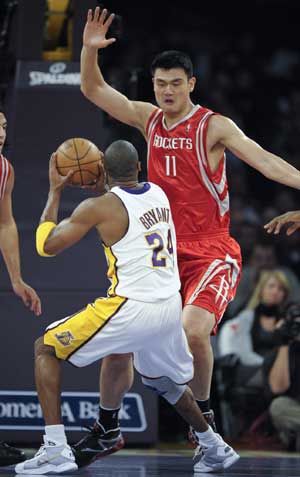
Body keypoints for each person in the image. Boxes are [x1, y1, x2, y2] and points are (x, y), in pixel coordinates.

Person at [79, 5, 300, 451]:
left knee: (193, 331)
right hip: (162, 252)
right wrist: (88, 50)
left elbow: (265, 160)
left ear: (191, 84)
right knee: (121, 336)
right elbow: (94, 89)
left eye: (175, 84)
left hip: (212, 251)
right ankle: (109, 427)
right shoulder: (149, 119)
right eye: (160, 84)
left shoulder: (214, 126)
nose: (166, 91)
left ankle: (205, 425)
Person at [15, 140, 239, 474]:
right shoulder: (159, 193)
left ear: (102, 164)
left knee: (45, 348)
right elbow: (125, 198)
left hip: (133, 305)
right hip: (168, 306)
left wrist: (55, 191)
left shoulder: (98, 207)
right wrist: (105, 177)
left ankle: (56, 449)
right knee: (163, 381)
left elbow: (46, 246)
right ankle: (214, 446)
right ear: (138, 168)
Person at [0, 108, 41, 467]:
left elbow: (6, 224)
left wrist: (16, 278)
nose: (0, 132)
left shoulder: (4, 169)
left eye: (3, 126)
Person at [218, 270, 291, 432]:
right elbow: (242, 352)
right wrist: (267, 365)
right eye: (271, 286)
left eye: (280, 289)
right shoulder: (245, 317)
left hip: (279, 369)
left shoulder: (288, 321)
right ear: (261, 290)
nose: (275, 292)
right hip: (250, 367)